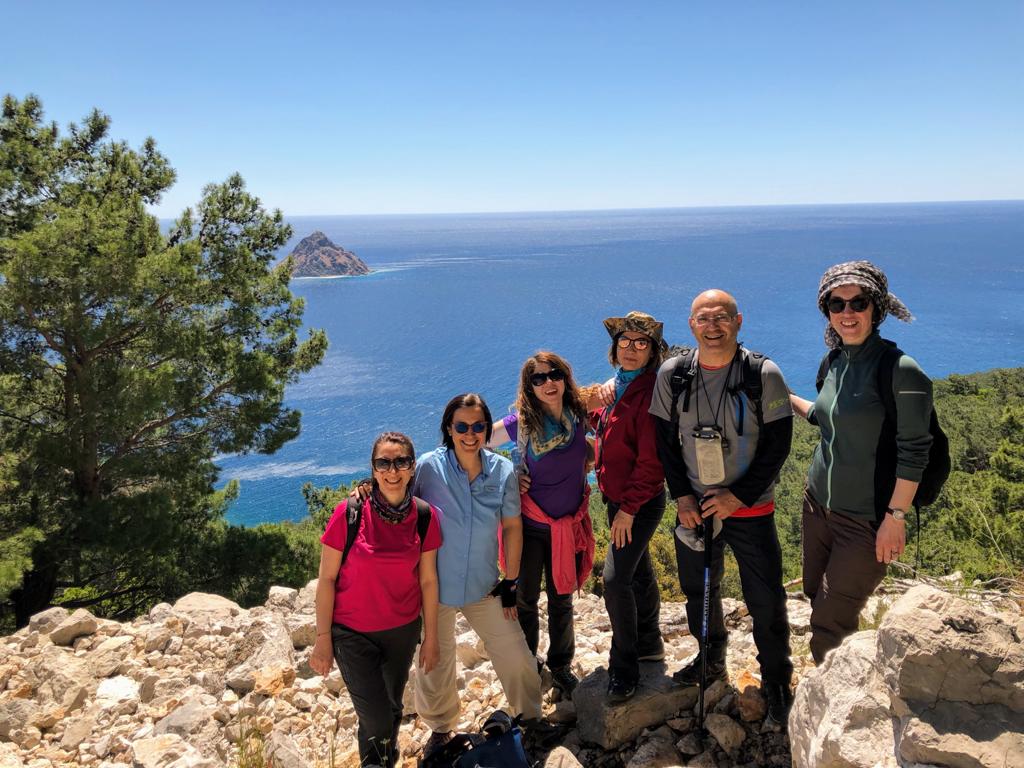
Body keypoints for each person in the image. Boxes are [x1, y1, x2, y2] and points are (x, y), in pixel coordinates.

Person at [649, 289, 795, 728]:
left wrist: (738, 496)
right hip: (696, 508)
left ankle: (776, 678)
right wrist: (682, 496)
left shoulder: (762, 374)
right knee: (699, 591)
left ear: (738, 321)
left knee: (765, 597)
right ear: (691, 324)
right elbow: (664, 442)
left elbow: (778, 445)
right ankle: (710, 658)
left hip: (751, 509)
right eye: (703, 318)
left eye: (721, 317)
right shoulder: (674, 374)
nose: (712, 326)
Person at [790, 261, 933, 664]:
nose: (847, 312)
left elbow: (914, 451)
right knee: (815, 594)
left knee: (831, 619)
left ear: (877, 308)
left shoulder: (901, 371)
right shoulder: (834, 362)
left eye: (859, 302)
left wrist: (896, 517)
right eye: (836, 304)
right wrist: (781, 394)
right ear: (827, 311)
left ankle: (832, 695)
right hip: (817, 507)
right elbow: (824, 416)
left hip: (866, 521)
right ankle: (834, 678)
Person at [412, 393, 543, 753]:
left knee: (516, 653)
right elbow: (397, 500)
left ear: (487, 428)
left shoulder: (502, 470)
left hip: (485, 585)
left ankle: (531, 718)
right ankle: (440, 730)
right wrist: (365, 490)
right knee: (434, 660)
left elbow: (512, 526)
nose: (470, 434)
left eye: (478, 426)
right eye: (462, 426)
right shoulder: (427, 468)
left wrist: (511, 580)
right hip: (435, 586)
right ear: (449, 429)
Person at [310, 432, 442, 768]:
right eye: (383, 463)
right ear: (373, 468)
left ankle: (379, 762)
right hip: (352, 633)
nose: (392, 470)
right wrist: (322, 638)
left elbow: (428, 581)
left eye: (401, 462)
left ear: (413, 467)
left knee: (391, 709)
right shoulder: (350, 512)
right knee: (379, 718)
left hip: (402, 630)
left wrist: (431, 638)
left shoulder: (424, 517)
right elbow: (326, 579)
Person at [488, 352, 595, 698]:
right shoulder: (520, 423)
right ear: (529, 386)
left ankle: (561, 666)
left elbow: (617, 392)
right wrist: (508, 473)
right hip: (530, 525)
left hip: (568, 525)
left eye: (554, 375)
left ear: (564, 378)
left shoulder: (579, 412)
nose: (548, 383)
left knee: (562, 598)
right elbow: (476, 441)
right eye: (539, 378)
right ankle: (528, 664)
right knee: (526, 599)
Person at [591, 311, 668, 704]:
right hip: (618, 498)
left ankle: (624, 669)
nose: (632, 348)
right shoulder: (620, 386)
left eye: (641, 343)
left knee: (615, 580)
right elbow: (603, 423)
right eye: (625, 341)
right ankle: (650, 643)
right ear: (615, 347)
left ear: (652, 351)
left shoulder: (650, 391)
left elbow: (651, 462)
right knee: (637, 571)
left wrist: (629, 510)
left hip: (638, 502)